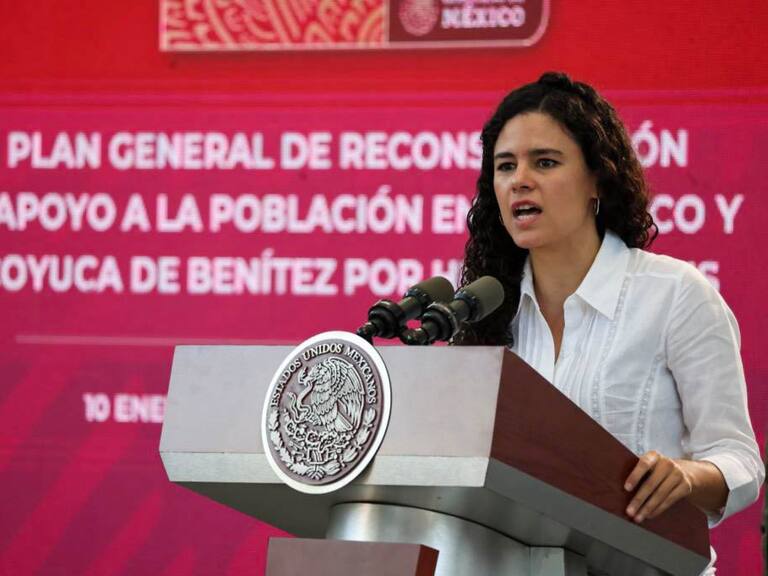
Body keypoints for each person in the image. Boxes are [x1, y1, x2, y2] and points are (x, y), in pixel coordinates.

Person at [454, 71, 764, 569]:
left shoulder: (675, 295)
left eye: (545, 162)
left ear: (597, 178)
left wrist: (686, 477)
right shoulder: (483, 313)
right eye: (505, 166)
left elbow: (740, 460)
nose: (520, 180)